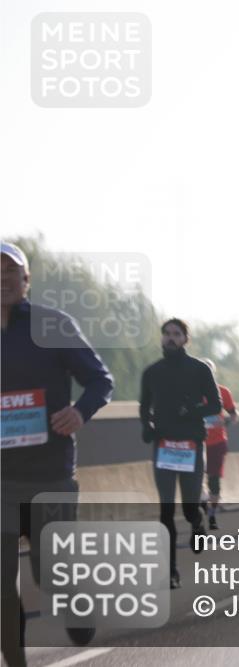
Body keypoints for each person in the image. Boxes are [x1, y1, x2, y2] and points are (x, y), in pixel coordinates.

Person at [1, 242, 114, 667]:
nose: (2, 279)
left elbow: (101, 381)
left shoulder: (53, 325)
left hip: (50, 475)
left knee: (48, 572)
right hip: (0, 480)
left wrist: (79, 412)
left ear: (26, 280)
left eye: (10, 271)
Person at [140, 318, 222, 588]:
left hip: (191, 446)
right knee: (165, 510)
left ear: (186, 339)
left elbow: (215, 405)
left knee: (188, 508)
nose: (171, 338)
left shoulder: (199, 369)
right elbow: (144, 407)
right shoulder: (152, 372)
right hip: (164, 446)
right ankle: (171, 571)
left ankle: (197, 522)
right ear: (161, 338)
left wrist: (191, 411)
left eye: (177, 334)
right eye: (167, 334)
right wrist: (147, 427)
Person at [201, 358, 239, 530]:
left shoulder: (223, 392)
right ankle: (202, 508)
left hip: (217, 442)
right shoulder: (190, 392)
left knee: (214, 479)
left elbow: (234, 414)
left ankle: (212, 514)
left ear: (213, 373)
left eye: (209, 370)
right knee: (196, 479)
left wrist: (226, 423)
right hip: (196, 442)